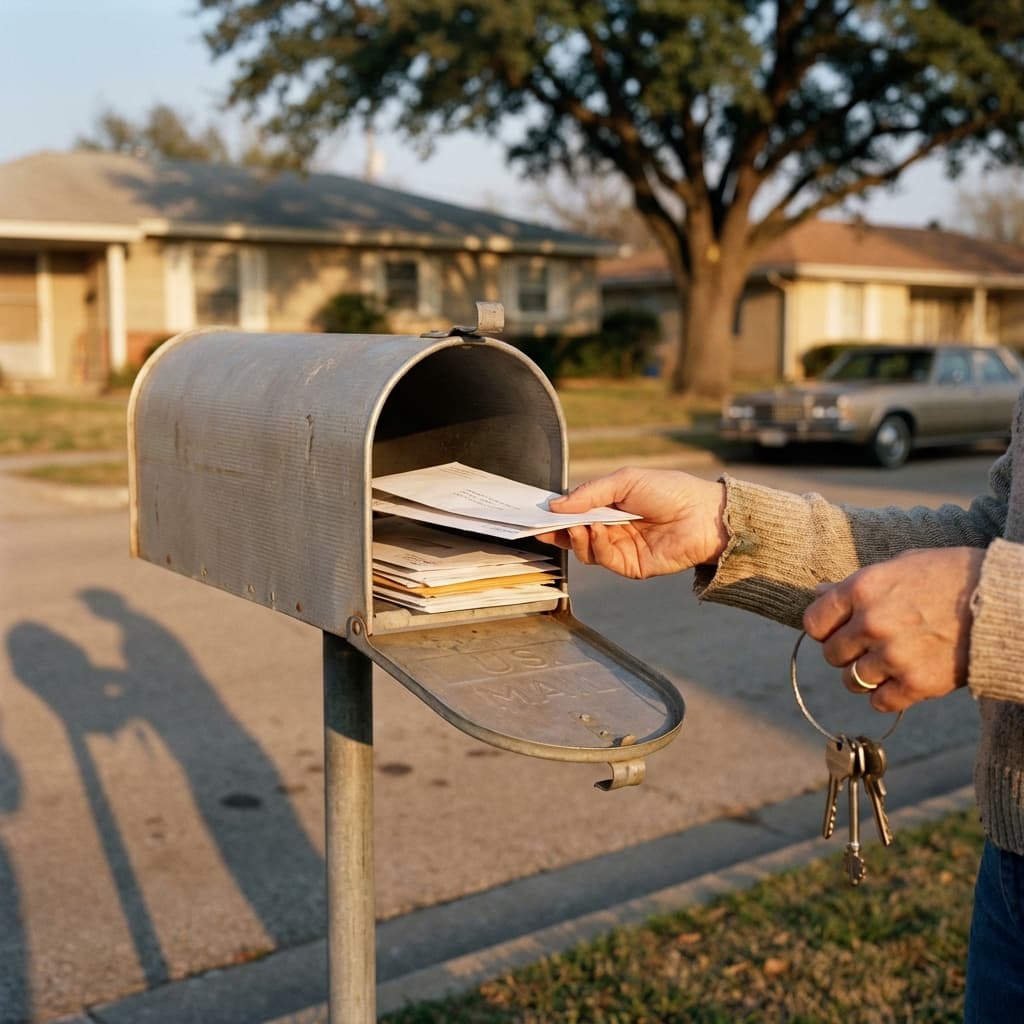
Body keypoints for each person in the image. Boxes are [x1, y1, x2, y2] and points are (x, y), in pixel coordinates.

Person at [537, 393, 1024, 1022]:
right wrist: (729, 528)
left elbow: (995, 575)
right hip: (1009, 865)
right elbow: (998, 536)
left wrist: (995, 612)